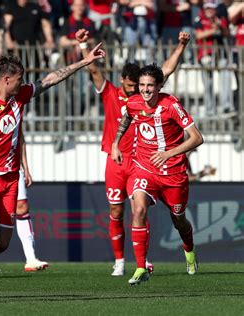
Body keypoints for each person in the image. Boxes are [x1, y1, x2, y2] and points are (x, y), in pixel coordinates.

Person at [0, 46, 106, 304]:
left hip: (11, 179)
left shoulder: (20, 95)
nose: (23, 83)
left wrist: (84, 61)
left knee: (2, 243)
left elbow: (51, 79)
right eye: (19, 79)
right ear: (6, 79)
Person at [75, 29, 190, 276]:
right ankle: (119, 261)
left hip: (140, 161)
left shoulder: (145, 97)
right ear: (123, 82)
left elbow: (166, 71)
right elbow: (94, 70)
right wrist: (84, 46)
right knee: (116, 211)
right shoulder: (109, 92)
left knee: (140, 208)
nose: (133, 91)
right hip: (116, 162)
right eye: (130, 86)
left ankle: (143, 261)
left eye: (136, 86)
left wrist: (180, 46)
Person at [111, 64, 204, 285]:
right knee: (139, 209)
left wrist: (168, 154)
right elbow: (127, 118)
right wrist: (116, 142)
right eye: (142, 85)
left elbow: (196, 137)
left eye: (150, 85)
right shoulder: (133, 102)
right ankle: (141, 267)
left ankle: (189, 249)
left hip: (173, 174)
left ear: (160, 86)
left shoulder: (171, 105)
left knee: (179, 220)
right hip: (144, 168)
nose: (145, 90)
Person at [0, 129, 48, 273]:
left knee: (22, 207)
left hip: (13, 168)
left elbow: (20, 137)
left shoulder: (17, 106)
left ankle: (31, 258)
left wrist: (26, 168)